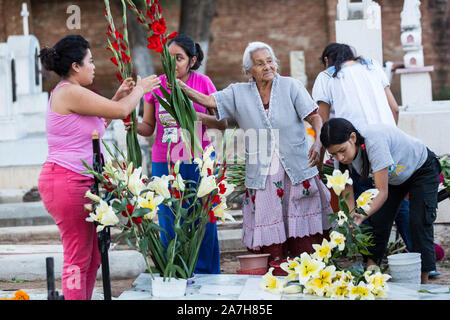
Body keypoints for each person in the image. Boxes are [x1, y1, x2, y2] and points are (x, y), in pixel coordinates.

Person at [175, 41, 333, 262]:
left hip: (296, 168)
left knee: (301, 220)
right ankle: (276, 269)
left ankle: (307, 268)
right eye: (259, 64)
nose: (267, 67)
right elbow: (209, 100)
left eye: (270, 61)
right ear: (248, 71)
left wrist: (317, 142)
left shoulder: (291, 86)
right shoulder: (238, 93)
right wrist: (180, 86)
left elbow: (314, 116)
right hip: (263, 172)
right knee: (270, 217)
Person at [37, 34, 160, 300]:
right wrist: (140, 89)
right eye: (90, 61)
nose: (94, 66)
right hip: (66, 183)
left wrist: (118, 96)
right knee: (77, 256)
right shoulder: (70, 92)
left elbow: (97, 124)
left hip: (78, 182)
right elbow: (119, 112)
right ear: (75, 66)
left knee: (92, 258)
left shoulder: (73, 93)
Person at [127, 34, 227, 274]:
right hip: (164, 162)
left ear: (192, 61)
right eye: (168, 58)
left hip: (198, 160)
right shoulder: (155, 85)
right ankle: (173, 272)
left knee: (202, 216)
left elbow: (222, 123)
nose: (173, 64)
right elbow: (148, 127)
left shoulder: (203, 83)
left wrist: (198, 118)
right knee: (168, 217)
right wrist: (131, 122)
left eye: (179, 58)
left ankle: (205, 272)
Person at [312, 43, 413, 256]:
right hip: (387, 143)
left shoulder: (327, 76)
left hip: (354, 150)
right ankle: (420, 256)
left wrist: (320, 159)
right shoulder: (373, 67)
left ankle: (370, 260)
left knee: (360, 204)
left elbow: (322, 122)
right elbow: (394, 108)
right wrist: (390, 139)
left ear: (328, 60)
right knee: (396, 201)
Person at [320, 117, 441, 284]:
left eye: (342, 150)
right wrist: (352, 217)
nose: (340, 157)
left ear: (353, 138)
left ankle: (423, 282)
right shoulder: (340, 157)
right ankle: (371, 270)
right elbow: (347, 190)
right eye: (334, 153)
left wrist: (362, 216)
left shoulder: (374, 142)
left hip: (421, 168)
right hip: (395, 178)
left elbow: (382, 193)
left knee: (419, 221)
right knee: (379, 220)